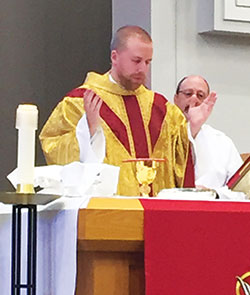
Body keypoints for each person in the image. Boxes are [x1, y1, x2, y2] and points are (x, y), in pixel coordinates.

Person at [39, 26, 215, 196]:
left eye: (148, 62)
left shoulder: (161, 108)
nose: (142, 69)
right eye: (136, 61)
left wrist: (191, 129)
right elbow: (54, 149)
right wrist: (89, 133)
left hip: (156, 216)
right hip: (109, 215)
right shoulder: (81, 102)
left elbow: (179, 163)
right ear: (115, 57)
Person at [174, 75, 243, 189]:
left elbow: (240, 189)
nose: (194, 99)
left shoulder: (222, 142)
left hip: (214, 204)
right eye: (188, 94)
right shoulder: (163, 135)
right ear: (176, 99)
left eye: (200, 95)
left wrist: (213, 194)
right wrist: (192, 128)